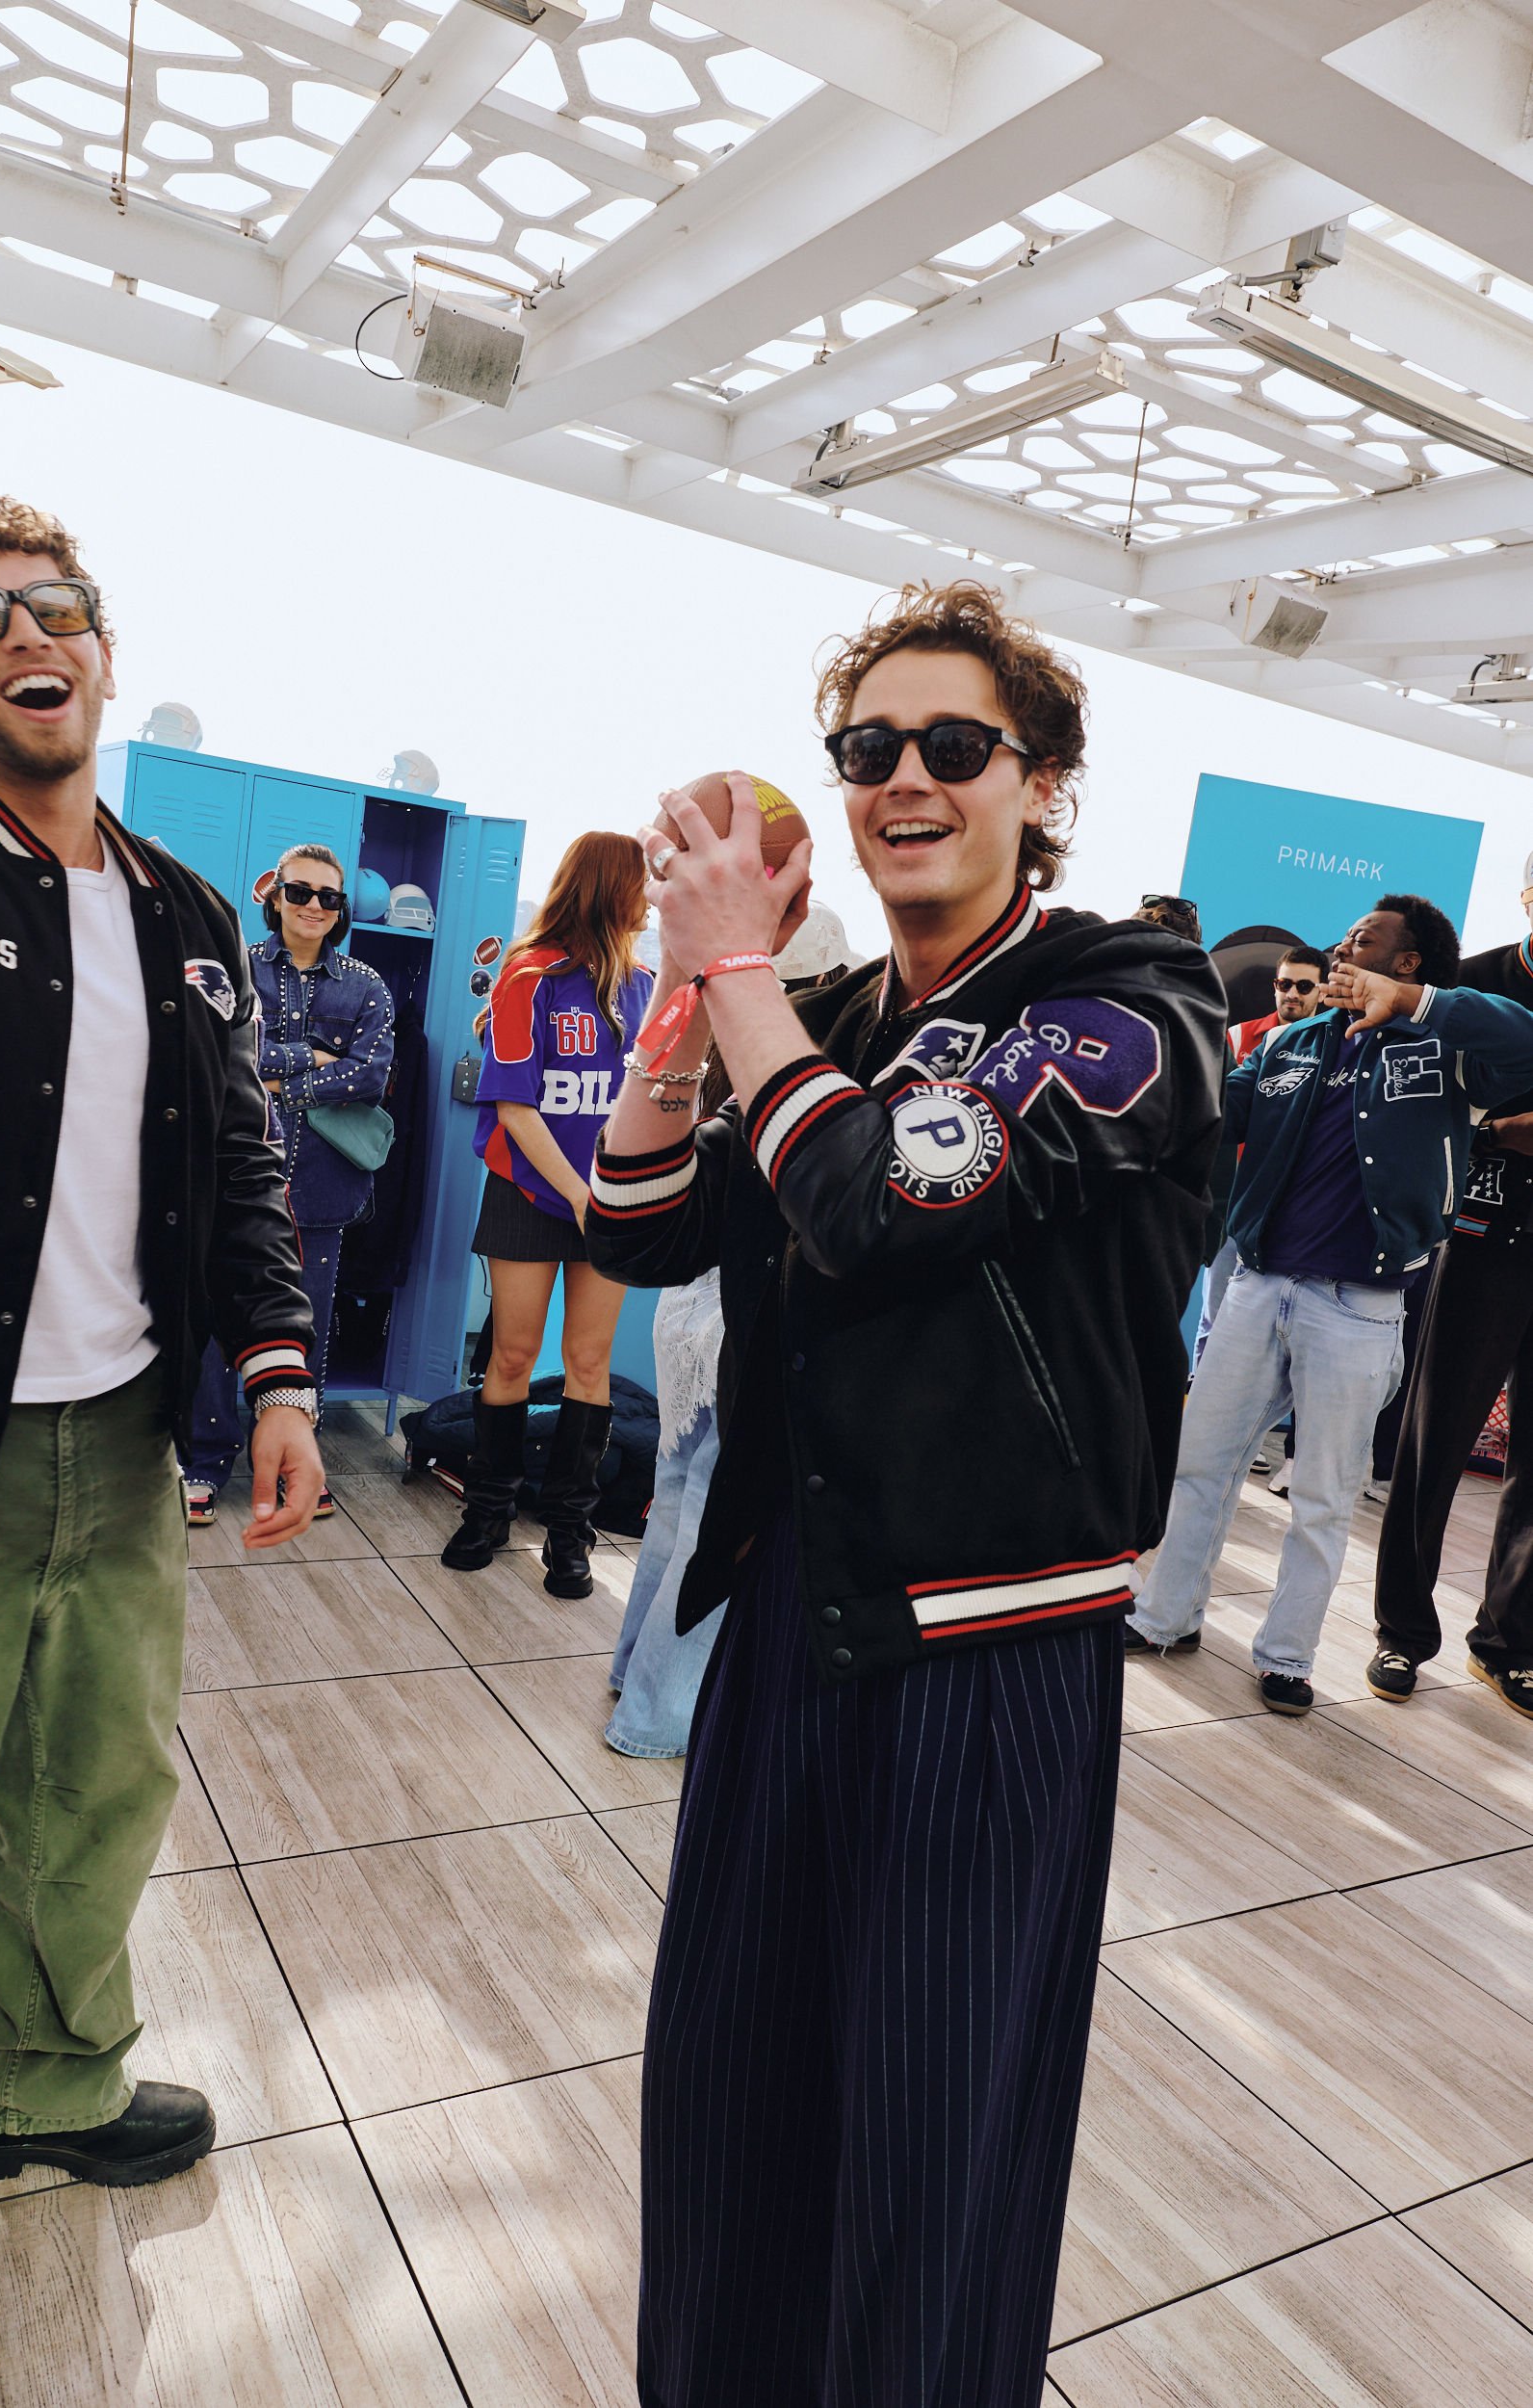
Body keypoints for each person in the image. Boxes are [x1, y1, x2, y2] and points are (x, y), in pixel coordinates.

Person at [586, 580, 1225, 2408]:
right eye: (869, 750)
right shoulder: (839, 1007)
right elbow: (634, 1225)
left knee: (927, 2141)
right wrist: (677, 1016)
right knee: (729, 2094)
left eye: (956, 746)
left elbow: (895, 1199)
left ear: (1043, 785)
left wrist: (736, 989)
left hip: (995, 1649)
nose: (904, 779)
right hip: (798, 1613)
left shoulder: (1128, 996)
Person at [0, 495, 321, 2193]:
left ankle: (39, 2091)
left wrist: (279, 1368)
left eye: (60, 606)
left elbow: (239, 1155)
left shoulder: (184, 912)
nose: (30, 635)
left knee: (91, 1796)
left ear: (103, 650)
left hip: (125, 1429)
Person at [1129, 897, 1533, 1714]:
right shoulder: (1288, 1041)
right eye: (1348, 934)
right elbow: (1217, 1109)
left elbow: (1524, 1045)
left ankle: (1284, 1656)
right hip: (1257, 1288)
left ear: (1409, 964)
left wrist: (1420, 1010)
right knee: (1200, 1466)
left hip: (1358, 1306)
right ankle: (1163, 1617)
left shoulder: (1445, 1043)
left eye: (1367, 938)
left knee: (1321, 1494)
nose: (1347, 942)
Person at [605, 910, 859, 1762]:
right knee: (709, 1513)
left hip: (689, 1308)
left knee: (676, 1499)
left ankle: (629, 1670)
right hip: (737, 1316)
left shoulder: (705, 1032)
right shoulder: (798, 1067)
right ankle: (655, 1716)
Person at [443, 831, 652, 1598]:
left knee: (590, 1364)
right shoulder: (529, 977)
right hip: (534, 1191)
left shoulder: (644, 986)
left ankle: (569, 1532)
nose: (651, 896)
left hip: (610, 1198)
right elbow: (512, 1102)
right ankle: (487, 1512)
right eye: (642, 883)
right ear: (610, 889)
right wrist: (575, 1191)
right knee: (511, 1356)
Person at [181, 845, 394, 1523]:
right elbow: (217, 1055)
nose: (313, 906)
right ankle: (203, 1462)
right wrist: (311, 1058)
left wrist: (272, 1074)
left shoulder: (366, 985)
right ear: (274, 896)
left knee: (309, 1328)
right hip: (235, 1185)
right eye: (300, 892)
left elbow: (370, 1076)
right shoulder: (237, 969)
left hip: (322, 1189)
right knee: (218, 1326)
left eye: (329, 897)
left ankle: (294, 1464)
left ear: (342, 910)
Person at [1369, 851, 1533, 1716]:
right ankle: (1401, 1633)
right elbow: (1418, 1108)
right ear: (1528, 893)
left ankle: (1510, 1641)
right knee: (1432, 1449)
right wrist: (1499, 1131)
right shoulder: (1466, 983)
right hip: (1480, 1237)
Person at [1194, 944, 1328, 1372]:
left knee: (1285, 1329)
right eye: (1283, 983)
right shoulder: (1238, 1037)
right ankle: (1198, 1400)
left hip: (1299, 1208)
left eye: (1304, 986)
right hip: (1238, 1203)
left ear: (1322, 990)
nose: (1292, 993)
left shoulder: (1337, 1045)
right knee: (1215, 1315)